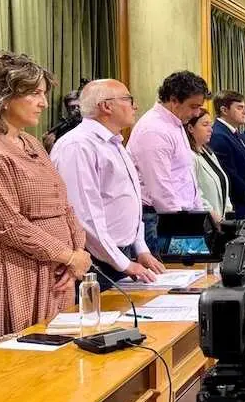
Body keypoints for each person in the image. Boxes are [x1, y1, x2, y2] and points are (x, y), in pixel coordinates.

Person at [0, 52, 90, 346]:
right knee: (20, 362)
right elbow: (9, 225)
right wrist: (68, 256)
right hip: (13, 269)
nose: (44, 103)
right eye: (35, 93)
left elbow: (62, 204)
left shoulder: (30, 142)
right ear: (2, 96)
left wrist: (77, 252)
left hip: (57, 271)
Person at [50, 79, 165, 290]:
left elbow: (129, 201)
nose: (135, 106)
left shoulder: (113, 142)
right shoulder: (78, 145)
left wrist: (140, 248)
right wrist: (123, 264)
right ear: (106, 106)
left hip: (119, 253)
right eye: (128, 99)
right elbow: (84, 216)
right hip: (95, 258)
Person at [128, 70, 209, 252]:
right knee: (171, 269)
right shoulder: (154, 129)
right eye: (193, 106)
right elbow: (160, 189)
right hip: (159, 219)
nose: (197, 112)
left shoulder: (175, 123)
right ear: (174, 100)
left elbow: (185, 175)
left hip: (179, 216)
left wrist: (199, 216)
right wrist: (183, 229)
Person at [209, 90, 245, 219]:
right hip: (239, 206)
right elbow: (230, 174)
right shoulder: (218, 135)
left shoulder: (236, 134)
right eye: (240, 108)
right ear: (224, 110)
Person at [185, 109, 233, 221]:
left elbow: (222, 181)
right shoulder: (190, 156)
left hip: (221, 218)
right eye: (205, 125)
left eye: (210, 125)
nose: (210, 129)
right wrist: (212, 214)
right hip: (206, 220)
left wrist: (228, 211)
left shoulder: (209, 153)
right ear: (191, 128)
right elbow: (195, 193)